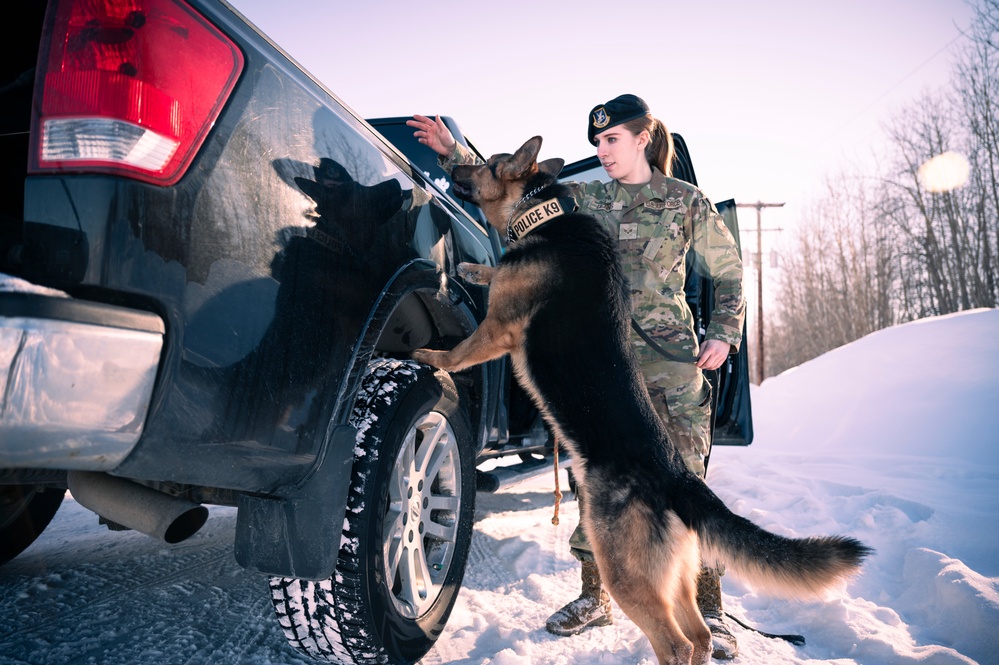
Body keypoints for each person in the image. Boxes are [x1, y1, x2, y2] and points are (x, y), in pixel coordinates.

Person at [408, 94, 746, 660]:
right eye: (596, 144)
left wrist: (723, 331)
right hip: (605, 363)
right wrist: (452, 154)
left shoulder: (683, 200)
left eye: (611, 140)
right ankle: (599, 594)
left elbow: (728, 267)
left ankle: (706, 608)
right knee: (604, 487)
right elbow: (512, 189)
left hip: (671, 367)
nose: (602, 151)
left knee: (683, 485)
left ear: (643, 137)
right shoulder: (587, 198)